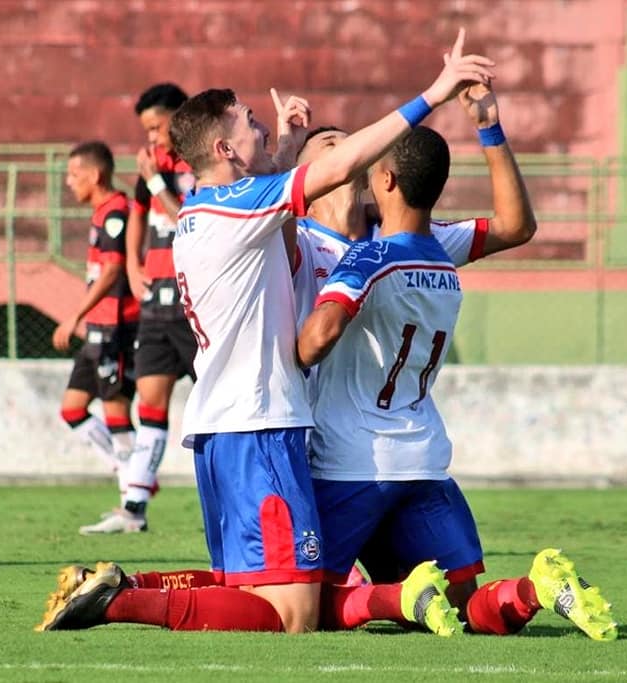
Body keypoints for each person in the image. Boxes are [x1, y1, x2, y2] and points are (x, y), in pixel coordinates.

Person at [35, 28, 498, 635]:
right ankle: (119, 602)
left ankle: (120, 588)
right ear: (226, 148)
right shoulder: (238, 206)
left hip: (224, 425)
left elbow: (277, 200)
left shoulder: (206, 210)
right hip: (260, 426)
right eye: (250, 121)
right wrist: (433, 93)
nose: (261, 126)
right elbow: (340, 167)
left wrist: (289, 144)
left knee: (256, 588)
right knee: (294, 613)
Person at [296, 84, 617, 641]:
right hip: (420, 454)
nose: (349, 154)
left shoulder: (376, 251)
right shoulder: (300, 236)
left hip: (350, 462)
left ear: (383, 178)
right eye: (327, 146)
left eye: (354, 147)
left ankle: (396, 599)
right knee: (468, 608)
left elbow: (515, 226)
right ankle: (535, 589)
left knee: (296, 608)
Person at [79, 83, 197, 534]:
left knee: (220, 402)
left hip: (193, 303)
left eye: (157, 126)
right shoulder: (153, 165)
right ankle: (134, 508)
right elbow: (140, 214)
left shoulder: (201, 163)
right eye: (146, 129)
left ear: (180, 118)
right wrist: (131, 262)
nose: (151, 137)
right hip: (156, 305)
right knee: (150, 400)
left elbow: (188, 216)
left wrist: (152, 180)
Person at [52, 141, 140, 510]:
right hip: (97, 330)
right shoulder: (101, 212)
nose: (68, 182)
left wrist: (75, 314)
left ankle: (133, 501)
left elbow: (114, 270)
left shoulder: (117, 211)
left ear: (95, 174)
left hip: (117, 327)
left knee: (116, 412)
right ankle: (131, 472)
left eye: (74, 174)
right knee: (72, 408)